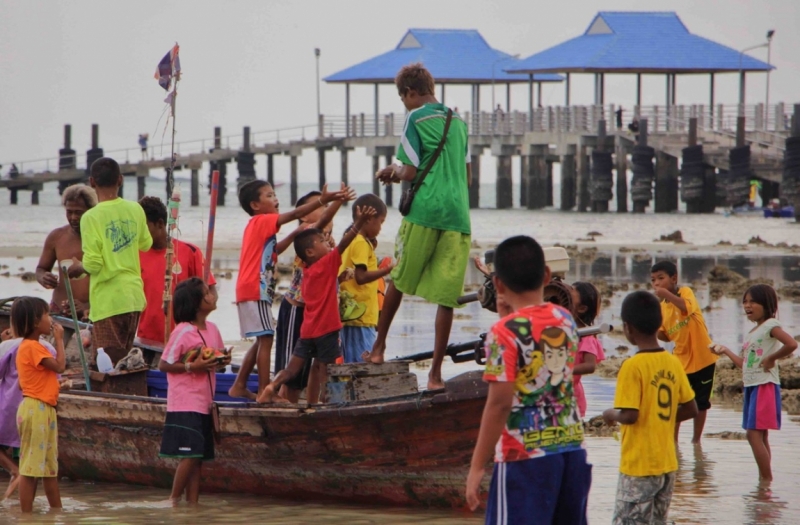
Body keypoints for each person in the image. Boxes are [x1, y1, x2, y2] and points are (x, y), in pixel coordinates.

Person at [465, 236, 590, 524]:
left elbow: (499, 404)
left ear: (498, 284)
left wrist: (476, 466)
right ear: (546, 275)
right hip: (571, 450)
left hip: (524, 457)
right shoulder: (565, 319)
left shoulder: (503, 332)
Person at [366, 63, 472, 391]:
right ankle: (436, 375)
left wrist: (392, 170)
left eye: (403, 99)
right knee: (447, 297)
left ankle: (378, 348)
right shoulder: (459, 123)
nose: (405, 104)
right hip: (457, 216)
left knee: (399, 278)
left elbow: (410, 171)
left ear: (410, 93)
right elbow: (467, 175)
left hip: (425, 212)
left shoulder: (415, 118)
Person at [228, 180, 353, 400]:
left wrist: (297, 231)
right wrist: (328, 200)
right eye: (269, 195)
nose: (276, 199)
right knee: (269, 341)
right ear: (255, 205)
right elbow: (301, 215)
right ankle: (265, 391)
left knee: (265, 339)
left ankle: (242, 384)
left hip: (260, 291)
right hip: (258, 290)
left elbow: (276, 249)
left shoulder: (287, 234)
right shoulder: (266, 222)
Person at [257, 205, 377, 404]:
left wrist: (338, 276)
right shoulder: (327, 264)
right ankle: (325, 402)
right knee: (327, 369)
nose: (327, 242)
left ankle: (271, 387)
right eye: (321, 241)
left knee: (291, 369)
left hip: (308, 331)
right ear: (310, 252)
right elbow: (344, 244)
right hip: (326, 330)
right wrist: (359, 223)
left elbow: (326, 282)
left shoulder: (307, 270)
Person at [603, 291, 698, 525]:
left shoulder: (632, 366)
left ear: (627, 328)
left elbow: (629, 415)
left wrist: (610, 414)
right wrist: (658, 417)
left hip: (639, 466)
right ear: (659, 323)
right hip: (667, 465)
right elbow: (691, 409)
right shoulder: (672, 362)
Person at [66, 158, 153, 366]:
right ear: (120, 180)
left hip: (109, 301)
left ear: (92, 182)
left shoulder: (91, 217)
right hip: (133, 297)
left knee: (106, 367)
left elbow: (94, 264)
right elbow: (146, 244)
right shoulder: (135, 209)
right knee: (123, 362)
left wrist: (78, 267)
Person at [710, 284, 797, 482]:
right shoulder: (752, 333)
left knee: (752, 434)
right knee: (761, 435)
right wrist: (725, 351)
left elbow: (792, 344)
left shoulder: (771, 325)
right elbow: (744, 364)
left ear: (767, 304)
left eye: (753, 301)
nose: (747, 305)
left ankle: (765, 480)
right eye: (745, 302)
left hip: (764, 385)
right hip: (752, 386)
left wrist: (772, 358)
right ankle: (764, 483)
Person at [157, 277, 230, 504]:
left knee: (197, 457)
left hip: (204, 403)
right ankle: (173, 500)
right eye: (206, 293)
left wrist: (222, 360)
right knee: (189, 456)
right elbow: (164, 364)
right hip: (185, 403)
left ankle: (193, 505)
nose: (212, 296)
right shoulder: (182, 331)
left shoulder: (213, 329)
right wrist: (191, 367)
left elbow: (217, 360)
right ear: (196, 303)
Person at [274, 190, 348, 403]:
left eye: (325, 205)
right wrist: (337, 201)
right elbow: (323, 221)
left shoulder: (323, 243)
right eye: (320, 205)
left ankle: (312, 405)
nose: (325, 209)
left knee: (316, 366)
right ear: (304, 215)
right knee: (294, 371)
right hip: (297, 309)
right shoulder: (306, 236)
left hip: (316, 314)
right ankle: (284, 403)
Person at [650, 261, 717, 444]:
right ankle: (673, 441)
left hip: (704, 358)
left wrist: (665, 294)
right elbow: (665, 336)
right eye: (653, 280)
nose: (656, 283)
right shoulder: (661, 308)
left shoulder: (685, 292)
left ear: (674, 278)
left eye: (661, 278)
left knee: (701, 403)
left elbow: (686, 307)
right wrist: (650, 326)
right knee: (676, 402)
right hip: (680, 361)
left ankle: (696, 441)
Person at [11, 297, 66, 513]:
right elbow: (60, 366)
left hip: (44, 409)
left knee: (49, 469)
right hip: (36, 409)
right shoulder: (33, 347)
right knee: (31, 468)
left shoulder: (30, 347)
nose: (50, 320)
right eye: (46, 315)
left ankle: (57, 513)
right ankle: (26, 517)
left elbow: (23, 383)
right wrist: (59, 339)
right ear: (35, 322)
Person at [137, 196, 217, 344]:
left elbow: (211, 293)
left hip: (186, 340)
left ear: (160, 224)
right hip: (146, 339)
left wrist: (196, 324)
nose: (138, 233)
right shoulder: (135, 255)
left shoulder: (190, 252)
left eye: (143, 227)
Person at [339, 194, 394, 363]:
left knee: (351, 360)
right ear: (369, 219)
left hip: (352, 312)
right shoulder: (361, 242)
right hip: (360, 315)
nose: (381, 228)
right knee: (363, 362)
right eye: (381, 222)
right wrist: (386, 270)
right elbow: (361, 277)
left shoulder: (352, 239)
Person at [35, 184, 97, 319]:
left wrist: (87, 306)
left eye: (79, 212)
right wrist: (44, 278)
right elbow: (41, 268)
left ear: (91, 211)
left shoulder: (101, 238)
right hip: (58, 311)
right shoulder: (57, 236)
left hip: (91, 313)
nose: (73, 217)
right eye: (69, 212)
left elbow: (112, 279)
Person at [571, 281, 606, 419]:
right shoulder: (559, 330)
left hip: (571, 397)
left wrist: (563, 370)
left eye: (570, 296)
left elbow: (590, 365)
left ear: (582, 308)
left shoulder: (586, 336)